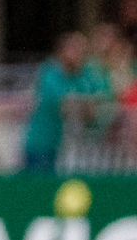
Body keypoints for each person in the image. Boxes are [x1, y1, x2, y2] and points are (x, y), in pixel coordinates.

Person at [21, 30, 113, 172]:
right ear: (64, 51)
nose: (81, 56)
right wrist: (87, 103)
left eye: (83, 51)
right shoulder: (50, 74)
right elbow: (66, 105)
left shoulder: (81, 76)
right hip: (42, 146)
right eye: (76, 50)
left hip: (67, 150)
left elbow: (104, 97)